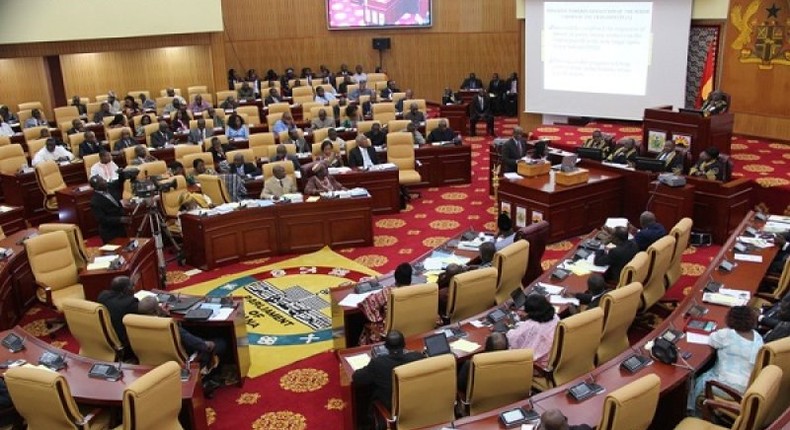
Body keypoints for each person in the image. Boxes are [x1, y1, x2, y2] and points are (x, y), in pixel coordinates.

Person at [688, 306, 763, 415]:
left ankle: (693, 413)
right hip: (747, 387)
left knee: (696, 378)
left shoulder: (727, 334)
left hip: (727, 387)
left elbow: (711, 340)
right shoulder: (758, 337)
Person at [352, 330, 424, 411]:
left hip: (390, 407)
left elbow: (357, 378)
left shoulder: (378, 363)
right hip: (416, 403)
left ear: (386, 347)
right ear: (404, 344)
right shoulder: (418, 357)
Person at [358, 264, 414, 345]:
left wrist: (379, 318)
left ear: (395, 277)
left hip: (391, 331)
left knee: (371, 325)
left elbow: (368, 304)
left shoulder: (387, 292)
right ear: (410, 278)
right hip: (411, 326)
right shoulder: (418, 290)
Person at [506, 294, 560, 366]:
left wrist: (509, 330)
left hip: (538, 365)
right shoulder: (555, 316)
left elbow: (512, 340)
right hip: (554, 357)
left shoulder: (531, 326)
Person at [89, 173, 129, 243]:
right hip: (110, 232)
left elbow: (119, 182)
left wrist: (121, 174)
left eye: (103, 180)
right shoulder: (95, 201)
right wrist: (119, 219)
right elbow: (102, 219)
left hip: (121, 228)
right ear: (96, 187)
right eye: (101, 182)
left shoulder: (110, 187)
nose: (104, 182)